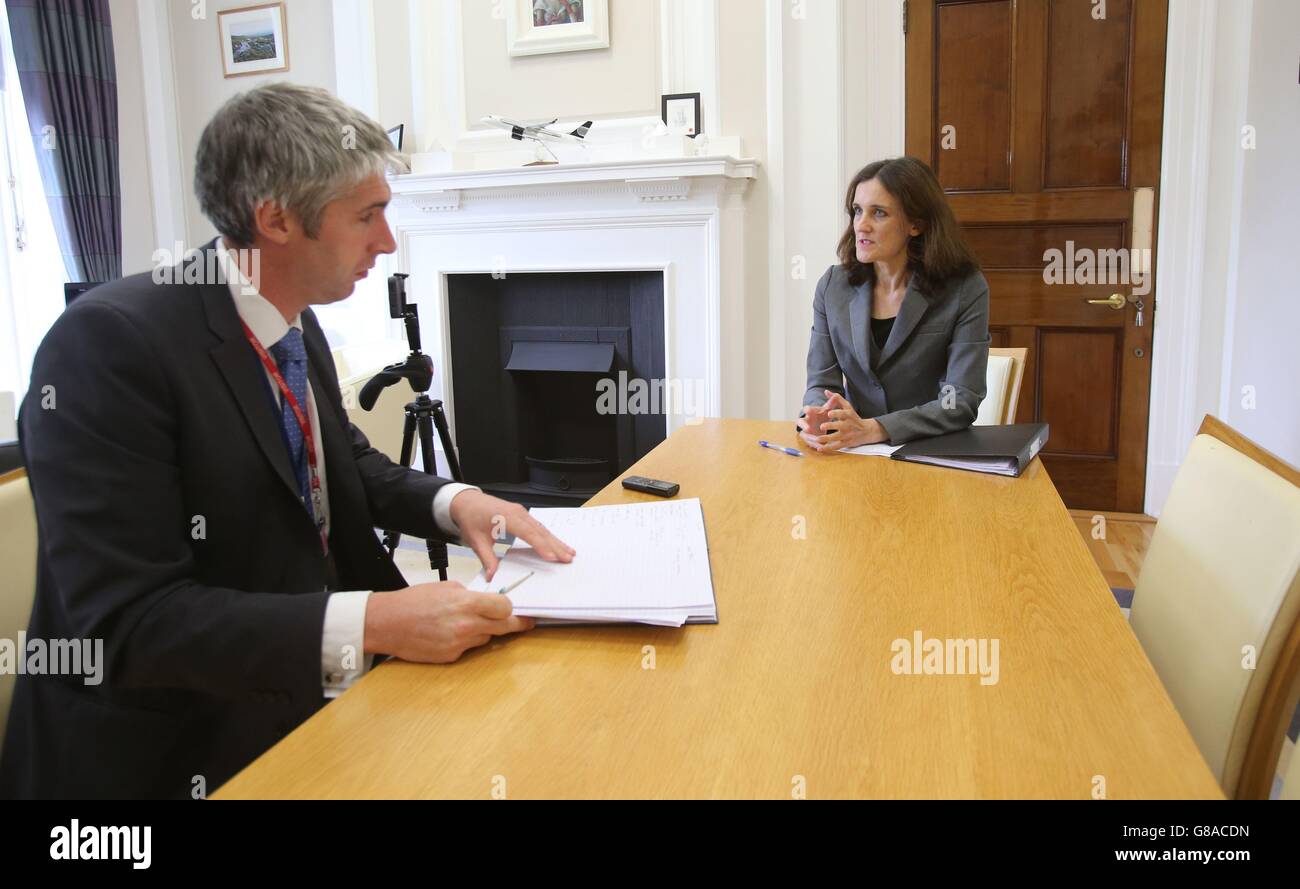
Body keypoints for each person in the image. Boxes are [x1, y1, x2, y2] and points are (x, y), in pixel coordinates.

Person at [0, 83, 575, 799]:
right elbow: (131, 623)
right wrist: (376, 620)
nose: (387, 241)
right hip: (169, 754)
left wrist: (459, 503)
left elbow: (340, 467)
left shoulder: (291, 320)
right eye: (368, 215)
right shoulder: (107, 348)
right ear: (275, 219)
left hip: (304, 697)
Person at [797, 157, 989, 451]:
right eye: (857, 211)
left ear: (916, 224)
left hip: (932, 452)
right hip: (856, 452)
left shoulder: (965, 287)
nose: (861, 225)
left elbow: (960, 400)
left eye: (879, 213)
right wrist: (818, 417)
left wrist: (876, 428)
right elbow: (821, 384)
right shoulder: (832, 286)